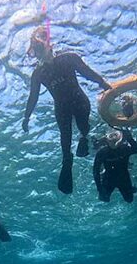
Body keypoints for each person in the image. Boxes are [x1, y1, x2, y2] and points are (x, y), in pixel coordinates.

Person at [22, 25, 112, 194]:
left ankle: (84, 138)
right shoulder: (38, 74)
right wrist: (26, 118)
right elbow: (33, 97)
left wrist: (103, 84)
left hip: (80, 102)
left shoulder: (69, 58)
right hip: (61, 108)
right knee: (65, 137)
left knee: (84, 127)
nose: (39, 55)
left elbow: (87, 73)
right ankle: (67, 160)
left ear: (50, 45)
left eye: (40, 49)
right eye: (36, 52)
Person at [93, 129, 137, 203]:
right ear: (107, 140)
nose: (113, 141)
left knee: (129, 200)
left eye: (116, 136)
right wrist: (99, 188)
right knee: (104, 198)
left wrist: (129, 138)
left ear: (120, 139)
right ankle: (130, 188)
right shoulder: (102, 152)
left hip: (123, 178)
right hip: (109, 178)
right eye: (111, 137)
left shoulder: (124, 148)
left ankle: (130, 188)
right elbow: (96, 171)